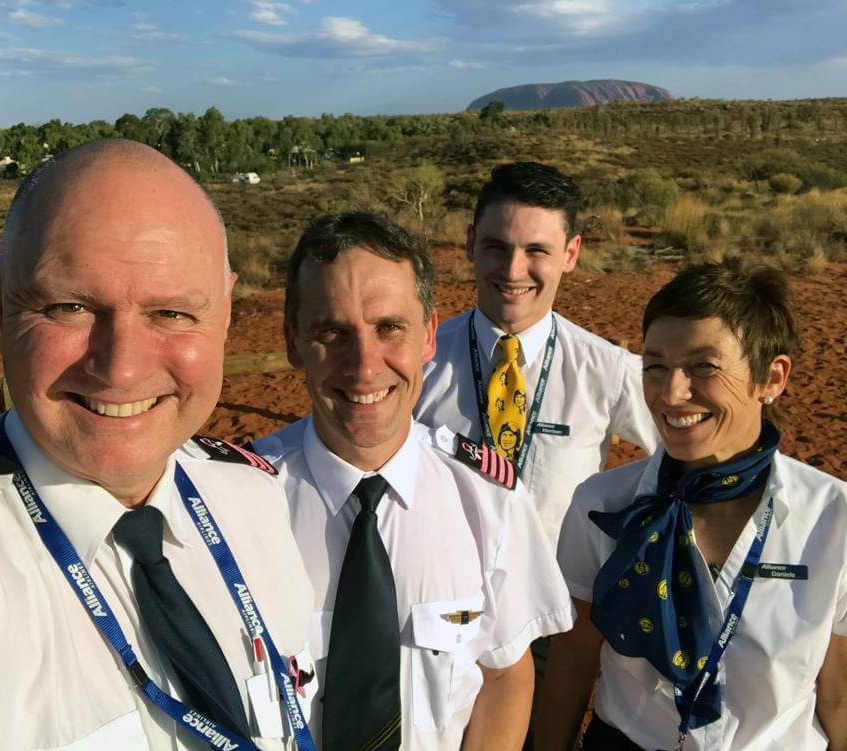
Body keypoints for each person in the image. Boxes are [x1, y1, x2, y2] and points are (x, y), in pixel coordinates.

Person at [0, 140, 318, 751]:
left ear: (226, 310)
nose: (119, 369)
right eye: (68, 307)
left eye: (172, 313)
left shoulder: (254, 496)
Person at [252, 212, 574, 750]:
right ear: (292, 342)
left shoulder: (487, 498)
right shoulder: (239, 502)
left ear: (428, 335)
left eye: (389, 328)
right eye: (332, 332)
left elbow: (503, 675)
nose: (364, 365)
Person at [535, 259, 847, 751]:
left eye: (703, 365)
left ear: (772, 377)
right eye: (655, 365)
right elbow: (572, 665)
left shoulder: (833, 518)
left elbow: (838, 699)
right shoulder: (602, 506)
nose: (672, 393)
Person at [415, 161, 659, 550]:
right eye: (497, 246)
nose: (514, 271)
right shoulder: (417, 362)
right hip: (441, 600)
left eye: (536, 250)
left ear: (571, 253)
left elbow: (689, 457)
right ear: (470, 243)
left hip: (559, 603)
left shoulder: (608, 371)